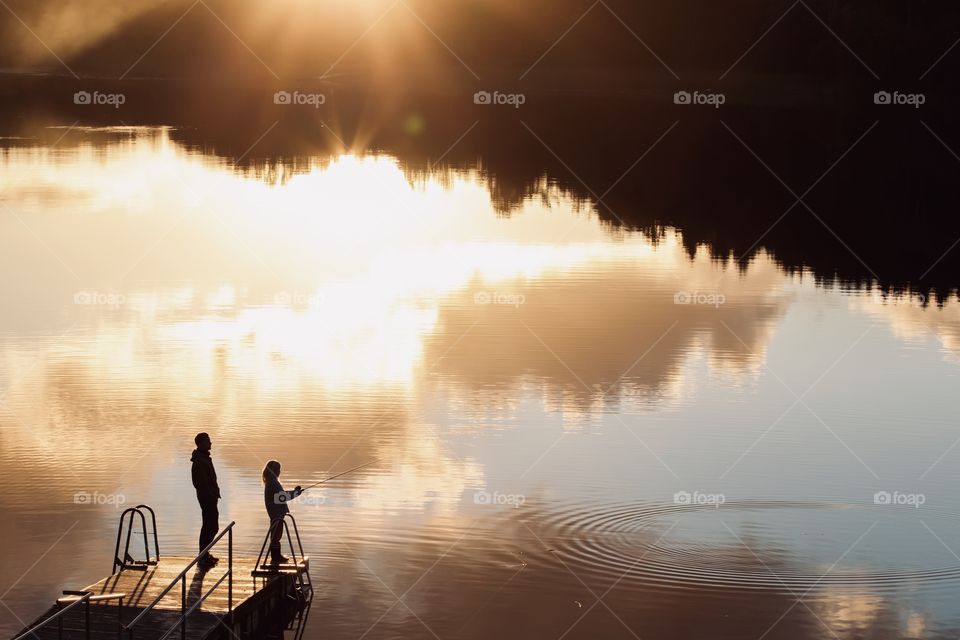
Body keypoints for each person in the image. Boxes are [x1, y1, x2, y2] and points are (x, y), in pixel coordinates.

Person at [262, 460, 302, 564]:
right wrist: (296, 493)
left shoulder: (271, 482)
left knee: (276, 535)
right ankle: (275, 557)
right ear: (274, 471)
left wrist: (294, 491)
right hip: (276, 513)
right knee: (276, 535)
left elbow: (281, 495)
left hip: (276, 512)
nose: (280, 472)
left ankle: (276, 556)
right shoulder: (273, 483)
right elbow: (283, 496)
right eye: (278, 469)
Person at [191, 432, 221, 569]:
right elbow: (199, 483)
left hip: (210, 497)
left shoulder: (204, 458)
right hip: (207, 499)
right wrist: (211, 495)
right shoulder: (199, 461)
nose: (211, 443)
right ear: (201, 443)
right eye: (208, 441)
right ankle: (202, 556)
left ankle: (204, 553)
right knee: (210, 526)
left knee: (210, 526)